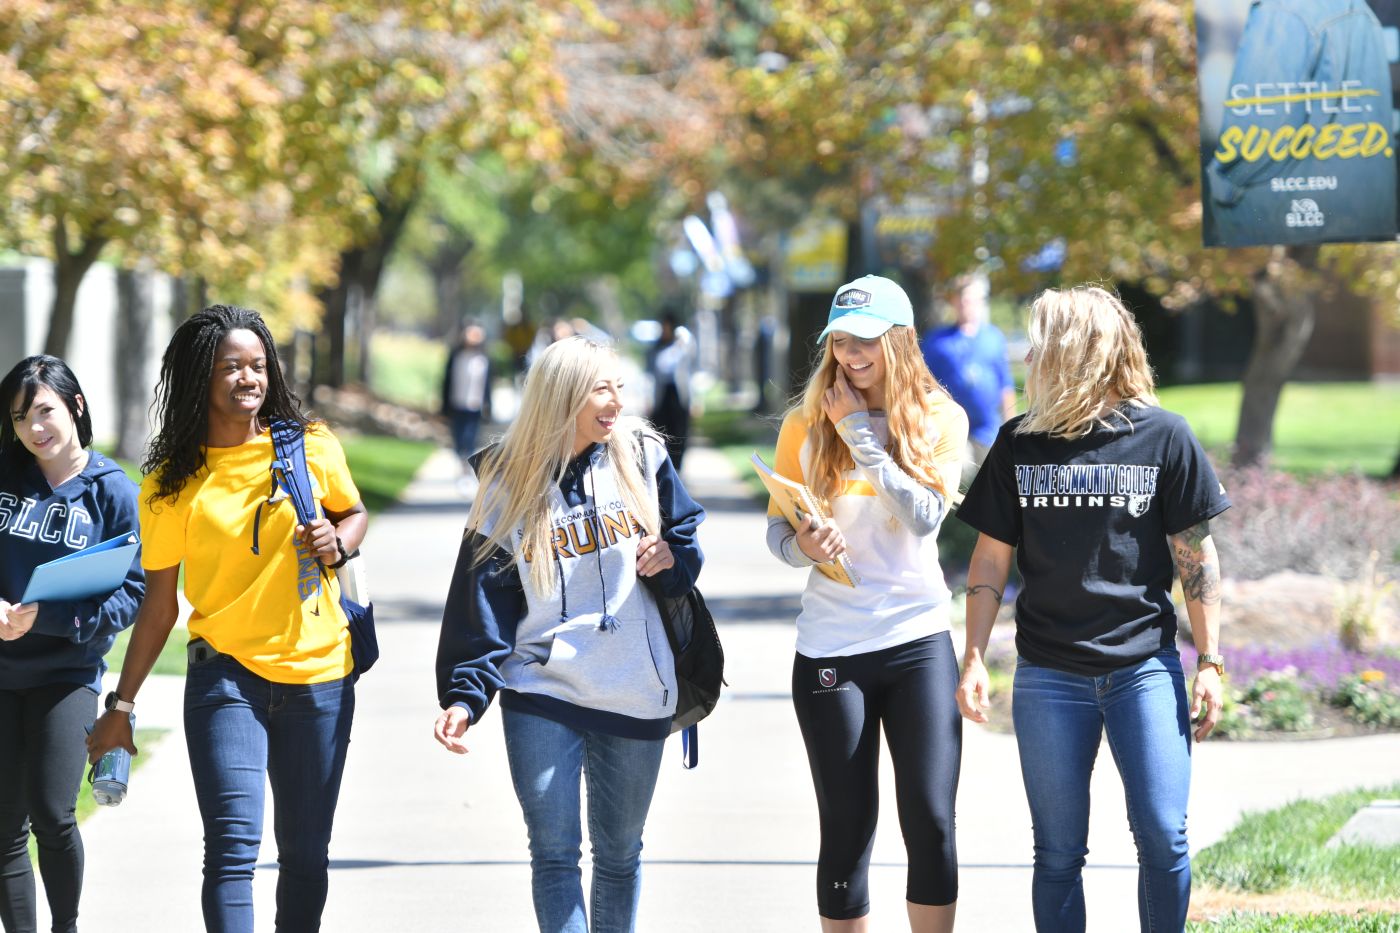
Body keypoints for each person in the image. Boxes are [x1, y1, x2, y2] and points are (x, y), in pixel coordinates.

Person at [954, 286, 1230, 932]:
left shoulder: (1165, 436)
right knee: (1056, 852)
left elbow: (1197, 557)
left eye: (1042, 342)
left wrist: (1211, 659)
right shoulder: (1020, 443)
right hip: (1049, 675)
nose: (1031, 355)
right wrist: (972, 655)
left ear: (1080, 350)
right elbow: (990, 562)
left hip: (1144, 667)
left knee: (1163, 836)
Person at [86, 305, 368, 933]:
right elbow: (160, 608)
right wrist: (121, 707)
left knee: (304, 856)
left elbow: (354, 512)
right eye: (232, 367)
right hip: (226, 680)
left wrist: (339, 541)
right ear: (199, 378)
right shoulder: (169, 484)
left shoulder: (311, 445)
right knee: (233, 850)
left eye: (259, 365)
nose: (250, 378)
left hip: (319, 675)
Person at [433, 335, 704, 933]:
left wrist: (671, 558)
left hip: (635, 688)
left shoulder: (643, 455)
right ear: (562, 396)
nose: (616, 401)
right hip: (541, 690)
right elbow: (482, 597)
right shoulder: (508, 480)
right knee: (553, 854)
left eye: (619, 387)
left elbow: (685, 543)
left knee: (619, 856)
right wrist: (464, 693)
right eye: (601, 388)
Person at [766, 275, 967, 933]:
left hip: (916, 637)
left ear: (900, 340)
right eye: (843, 340)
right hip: (832, 644)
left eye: (868, 340)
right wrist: (805, 542)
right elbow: (779, 536)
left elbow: (925, 516)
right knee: (847, 825)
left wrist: (861, 438)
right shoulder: (804, 421)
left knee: (931, 819)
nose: (852, 354)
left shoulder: (941, 417)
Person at [0, 356, 143, 933]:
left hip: (68, 673)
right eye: (19, 417)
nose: (34, 428)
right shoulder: (4, 476)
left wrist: (55, 620)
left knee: (52, 815)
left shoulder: (112, 491)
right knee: (4, 829)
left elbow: (133, 592)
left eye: (44, 411)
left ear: (75, 407)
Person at [1202, 0, 1396, 246]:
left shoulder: (1282, 11)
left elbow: (1256, 134)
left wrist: (1221, 184)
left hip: (1280, 218)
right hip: (1359, 214)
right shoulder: (1358, 8)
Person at [919, 272, 1015, 487]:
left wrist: (1010, 427)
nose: (967, 305)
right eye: (962, 300)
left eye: (973, 300)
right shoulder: (938, 341)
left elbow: (1005, 385)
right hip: (953, 428)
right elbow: (922, 384)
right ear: (954, 302)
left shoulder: (994, 338)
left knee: (994, 485)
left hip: (988, 430)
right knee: (959, 483)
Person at [441, 319, 494, 492]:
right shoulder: (456, 356)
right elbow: (446, 381)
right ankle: (462, 464)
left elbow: (487, 385)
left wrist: (488, 406)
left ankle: (466, 470)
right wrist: (443, 405)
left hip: (475, 405)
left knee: (470, 438)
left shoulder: (483, 358)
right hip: (457, 403)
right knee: (457, 438)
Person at [645, 312, 695, 470]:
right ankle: (663, 468)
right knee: (660, 434)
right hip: (661, 397)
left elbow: (690, 373)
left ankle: (678, 469)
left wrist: (694, 401)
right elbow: (649, 375)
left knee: (679, 434)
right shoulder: (655, 349)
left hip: (679, 396)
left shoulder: (683, 345)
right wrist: (647, 400)